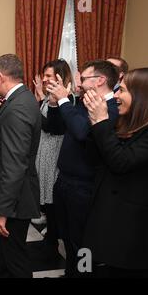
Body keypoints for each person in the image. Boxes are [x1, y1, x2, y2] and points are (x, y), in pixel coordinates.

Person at [82, 68, 148, 277]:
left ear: (144, 97)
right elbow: (93, 158)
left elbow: (121, 162)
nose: (115, 96)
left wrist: (101, 122)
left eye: (122, 91)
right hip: (107, 220)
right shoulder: (125, 123)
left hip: (135, 234)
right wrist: (95, 121)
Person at [46, 60, 119, 277]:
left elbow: (80, 131)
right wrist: (54, 103)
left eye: (84, 78)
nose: (79, 82)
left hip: (84, 186)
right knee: (67, 238)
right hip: (65, 180)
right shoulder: (83, 102)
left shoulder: (111, 108)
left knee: (82, 243)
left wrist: (64, 101)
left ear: (100, 80)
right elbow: (58, 127)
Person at [0, 54, 41, 278]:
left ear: (0, 76)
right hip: (10, 198)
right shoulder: (18, 100)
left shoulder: (18, 107)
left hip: (13, 204)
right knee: (5, 259)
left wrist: (3, 212)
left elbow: (15, 165)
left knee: (15, 261)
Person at [32, 59, 74, 253]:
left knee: (52, 197)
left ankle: (53, 238)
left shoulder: (67, 99)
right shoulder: (50, 97)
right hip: (44, 151)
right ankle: (51, 234)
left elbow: (55, 128)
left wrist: (40, 107)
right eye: (45, 75)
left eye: (49, 76)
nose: (45, 79)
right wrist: (41, 97)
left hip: (55, 153)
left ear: (60, 76)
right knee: (47, 196)